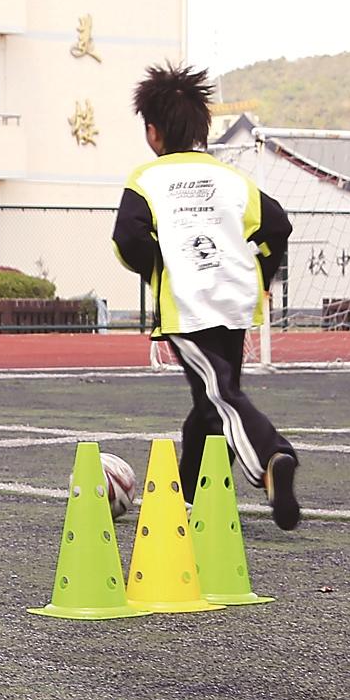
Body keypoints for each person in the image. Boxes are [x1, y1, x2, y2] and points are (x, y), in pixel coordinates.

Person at [111, 64, 300, 528]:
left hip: (189, 304)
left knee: (219, 393)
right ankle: (189, 493)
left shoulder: (146, 179)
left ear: (153, 133)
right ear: (201, 128)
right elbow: (277, 226)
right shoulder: (232, 179)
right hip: (236, 300)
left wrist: (159, 266)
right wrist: (259, 275)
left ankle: (273, 457)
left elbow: (127, 239)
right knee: (211, 398)